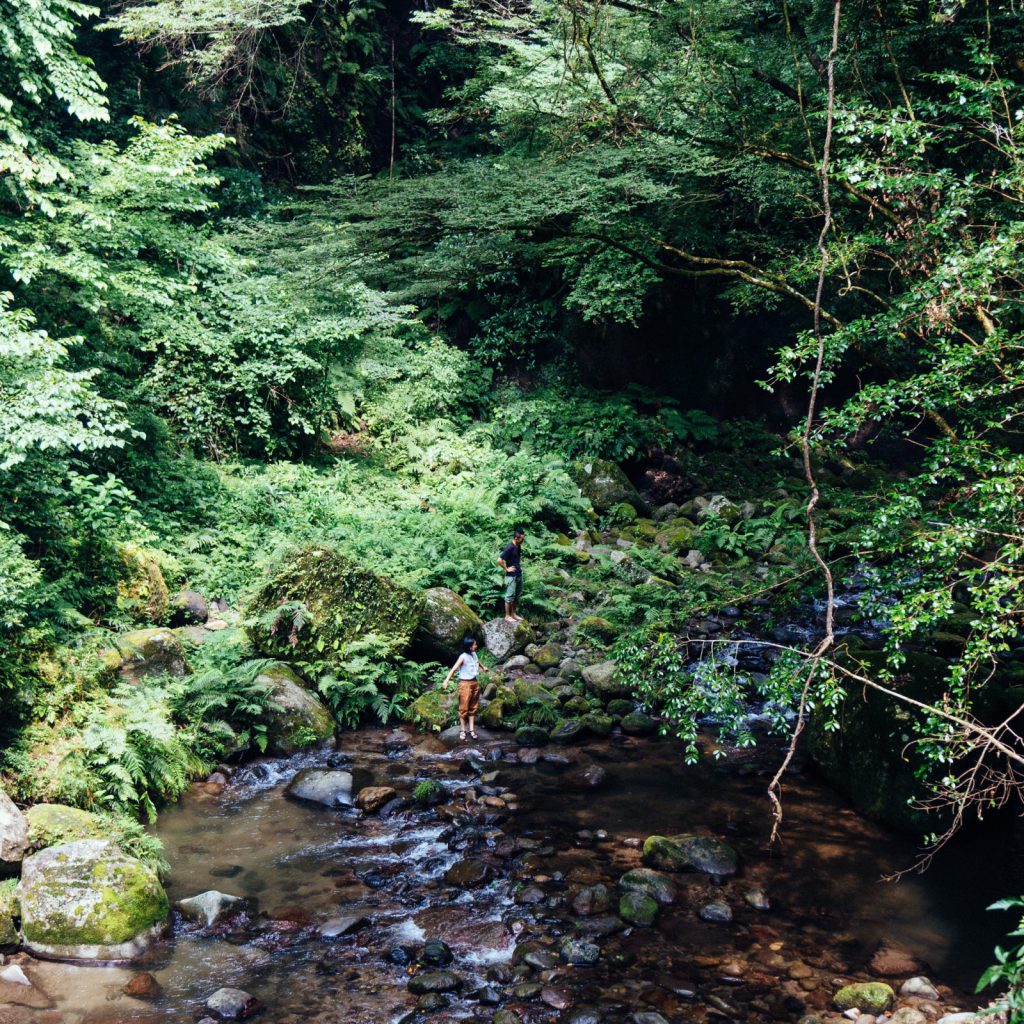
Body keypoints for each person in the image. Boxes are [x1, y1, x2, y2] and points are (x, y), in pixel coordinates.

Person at [443, 636, 486, 741]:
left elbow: (477, 661)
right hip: (465, 684)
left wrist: (483, 667)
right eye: (475, 644)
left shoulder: (474, 654)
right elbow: (454, 668)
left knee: (473, 707)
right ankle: (463, 730)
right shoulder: (463, 657)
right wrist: (446, 680)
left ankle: (471, 730)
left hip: (475, 683)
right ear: (470, 647)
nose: (476, 645)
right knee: (464, 708)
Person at [497, 527, 525, 622]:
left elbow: (518, 556)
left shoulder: (518, 546)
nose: (523, 540)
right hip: (511, 576)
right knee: (509, 596)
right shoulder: (509, 547)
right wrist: (507, 569)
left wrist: (518, 565)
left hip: (518, 574)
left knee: (516, 596)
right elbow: (499, 560)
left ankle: (513, 614)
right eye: (522, 539)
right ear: (516, 538)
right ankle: (507, 616)